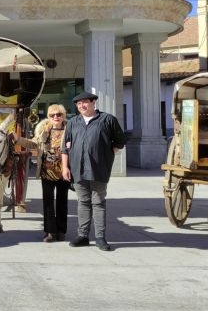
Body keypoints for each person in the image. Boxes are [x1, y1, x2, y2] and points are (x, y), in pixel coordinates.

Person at [61, 91, 126, 251]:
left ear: (93, 102)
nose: (82, 106)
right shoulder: (73, 122)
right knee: (82, 202)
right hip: (77, 169)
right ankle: (83, 235)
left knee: (98, 203)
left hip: (98, 169)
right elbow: (65, 146)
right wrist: (65, 166)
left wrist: (105, 154)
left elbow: (120, 142)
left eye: (85, 102)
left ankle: (100, 237)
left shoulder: (107, 120)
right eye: (78, 103)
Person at [15, 104, 71, 242]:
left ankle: (61, 231)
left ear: (63, 116)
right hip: (47, 171)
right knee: (48, 202)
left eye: (59, 114)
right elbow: (33, 144)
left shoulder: (70, 130)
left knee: (62, 201)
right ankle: (50, 232)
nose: (56, 117)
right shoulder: (43, 130)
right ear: (48, 117)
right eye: (52, 115)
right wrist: (18, 139)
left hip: (64, 170)